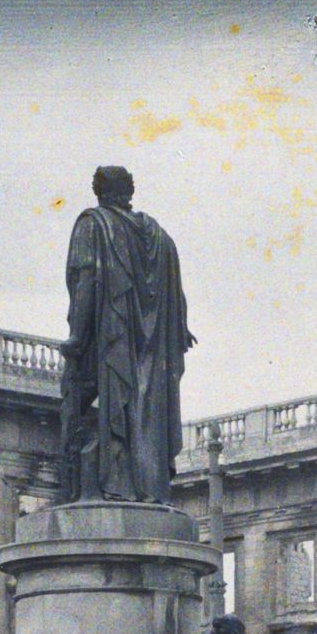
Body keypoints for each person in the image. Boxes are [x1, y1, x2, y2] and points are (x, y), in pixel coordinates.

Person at [58, 165, 196, 505]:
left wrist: (76, 337)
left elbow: (86, 280)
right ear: (129, 190)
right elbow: (177, 299)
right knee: (146, 411)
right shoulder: (161, 237)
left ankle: (99, 486)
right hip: (152, 350)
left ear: (98, 191)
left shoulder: (93, 224)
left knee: (86, 406)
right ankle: (148, 485)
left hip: (111, 343)